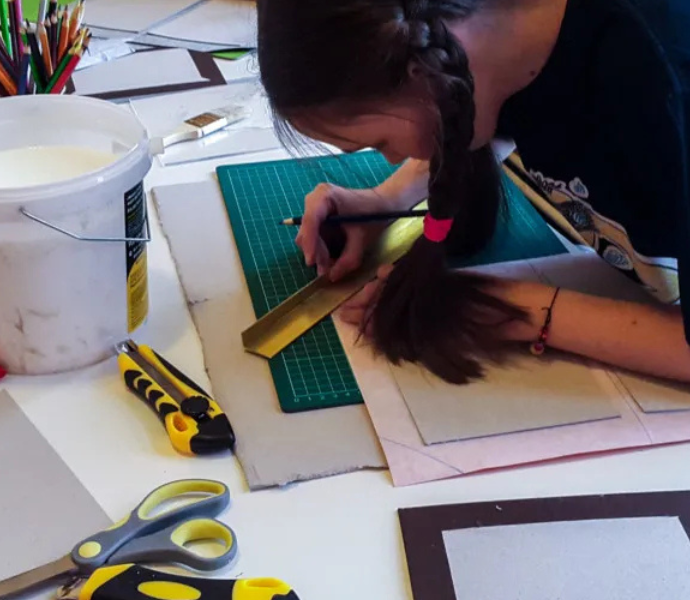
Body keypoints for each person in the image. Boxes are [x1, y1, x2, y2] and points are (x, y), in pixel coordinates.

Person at [255, 0, 690, 384]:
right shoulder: (514, 46)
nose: (389, 159)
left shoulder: (662, 76)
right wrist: (385, 200)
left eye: (379, 144)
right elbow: (478, 117)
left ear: (422, 70)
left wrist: (515, 309)